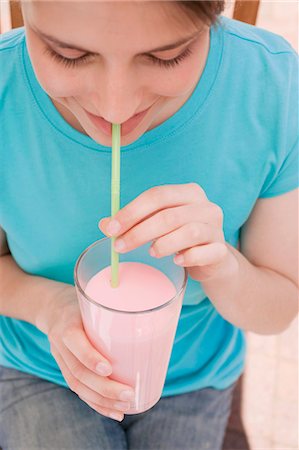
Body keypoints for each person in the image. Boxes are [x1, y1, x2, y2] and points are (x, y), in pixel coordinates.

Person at [0, 1, 298, 449]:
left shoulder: (272, 87)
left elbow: (278, 309)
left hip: (192, 375)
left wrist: (222, 267)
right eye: (68, 54)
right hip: (37, 365)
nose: (115, 108)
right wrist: (52, 307)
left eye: (166, 56)